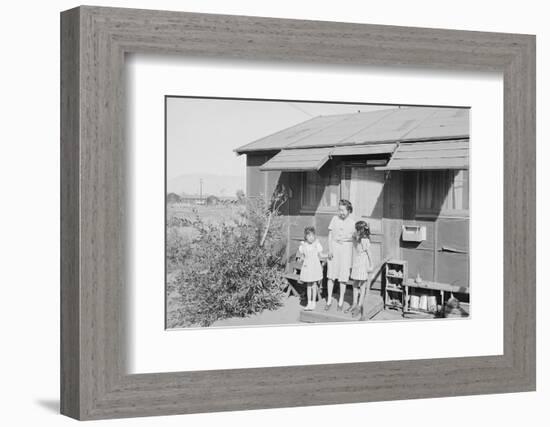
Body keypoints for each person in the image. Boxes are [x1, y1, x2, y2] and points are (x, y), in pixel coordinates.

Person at [326, 199, 355, 312]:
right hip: (334, 248)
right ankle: (329, 300)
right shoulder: (334, 219)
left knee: (343, 276)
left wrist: (345, 238)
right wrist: (330, 249)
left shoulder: (352, 223)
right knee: (331, 275)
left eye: (343, 210)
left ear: (348, 210)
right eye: (339, 210)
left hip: (345, 250)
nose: (341, 212)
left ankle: (341, 300)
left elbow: (354, 238)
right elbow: (330, 235)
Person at [347, 221, 373, 318]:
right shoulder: (357, 239)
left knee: (362, 285)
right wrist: (354, 236)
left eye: (357, 229)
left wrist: (371, 265)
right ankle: (354, 303)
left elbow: (369, 253)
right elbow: (353, 241)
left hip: (363, 263)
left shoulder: (365, 240)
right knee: (355, 283)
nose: (355, 231)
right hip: (357, 262)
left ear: (361, 230)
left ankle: (359, 304)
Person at [296, 226, 324, 311]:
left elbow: (321, 255)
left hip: (314, 267)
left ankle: (314, 302)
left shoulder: (317, 244)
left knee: (314, 285)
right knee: (308, 285)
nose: (311, 238)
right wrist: (300, 259)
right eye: (309, 236)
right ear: (306, 237)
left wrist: (328, 257)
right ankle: (309, 302)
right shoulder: (303, 245)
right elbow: (303, 257)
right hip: (307, 267)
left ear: (314, 236)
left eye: (312, 235)